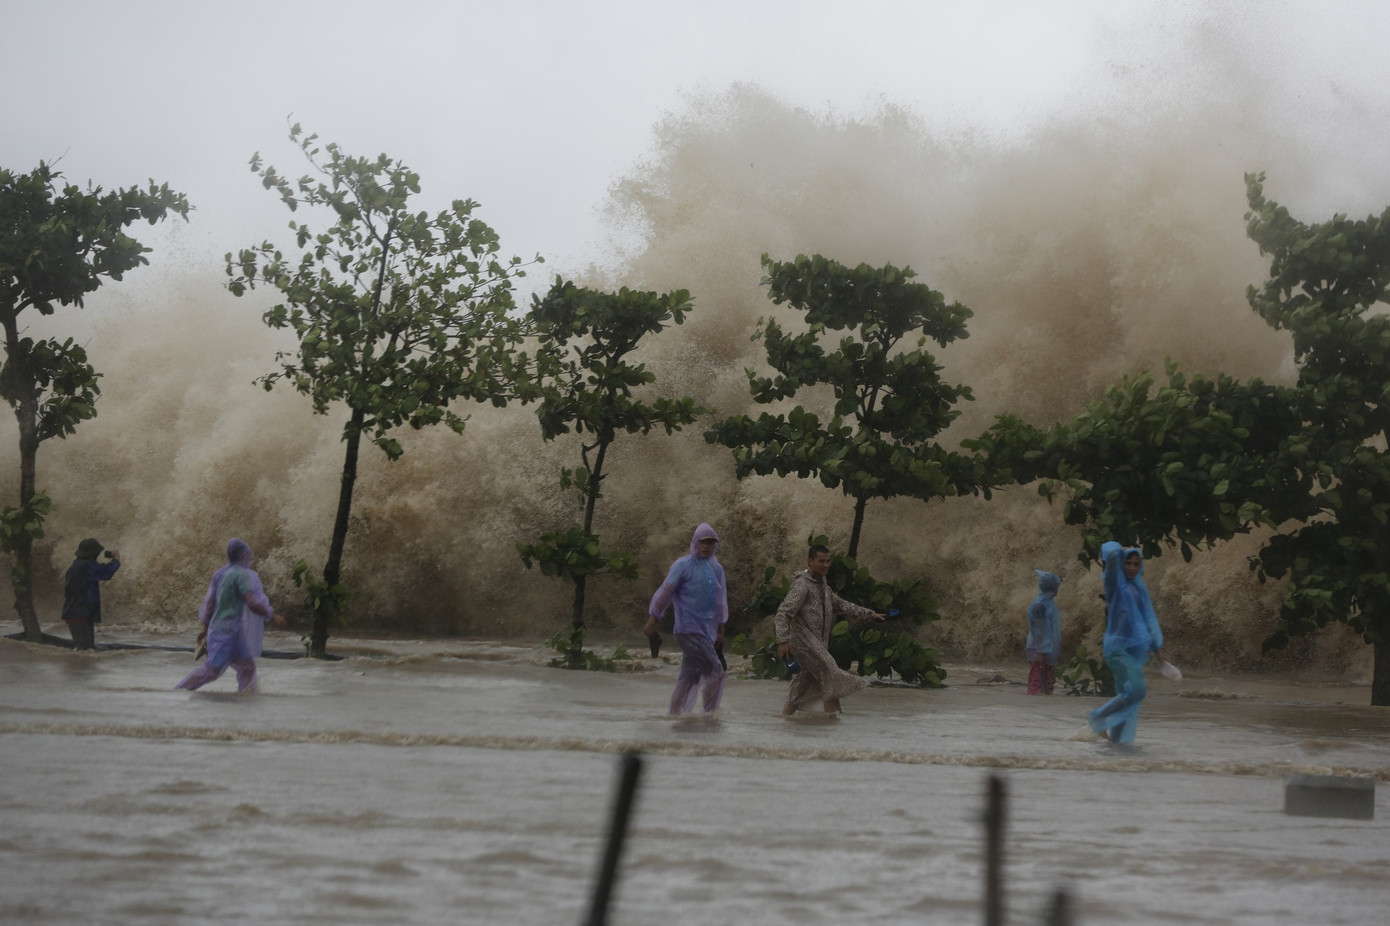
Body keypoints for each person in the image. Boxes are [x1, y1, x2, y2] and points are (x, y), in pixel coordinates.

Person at [774, 544, 886, 716]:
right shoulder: (802, 586)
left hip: (818, 644)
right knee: (830, 675)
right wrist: (782, 640)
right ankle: (833, 722)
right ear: (810, 561)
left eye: (828, 561)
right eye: (821, 561)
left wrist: (870, 615)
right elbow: (783, 613)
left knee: (801, 686)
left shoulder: (823, 586)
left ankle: (784, 719)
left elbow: (842, 605)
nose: (825, 565)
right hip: (804, 642)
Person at [175, 539, 285, 693]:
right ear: (243, 555)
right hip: (226, 633)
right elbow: (252, 603)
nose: (250, 557)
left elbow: (209, 603)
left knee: (248, 667)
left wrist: (205, 627)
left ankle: (245, 698)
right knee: (211, 671)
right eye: (248, 554)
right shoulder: (241, 575)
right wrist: (272, 616)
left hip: (230, 632)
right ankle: (177, 690)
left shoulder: (220, 574)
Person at [645, 523, 728, 714]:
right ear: (695, 543)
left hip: (706, 631)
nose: (706, 546)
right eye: (703, 542)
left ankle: (676, 714)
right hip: (688, 629)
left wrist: (721, 630)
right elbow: (665, 592)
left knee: (690, 674)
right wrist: (652, 620)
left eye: (710, 543)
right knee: (716, 672)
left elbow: (720, 602)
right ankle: (710, 715)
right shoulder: (683, 565)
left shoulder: (717, 569)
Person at [1087, 542, 1165, 743]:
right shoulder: (1114, 584)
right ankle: (1099, 717)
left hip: (1133, 649)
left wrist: (1157, 648)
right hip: (1117, 648)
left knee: (1127, 697)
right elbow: (1109, 553)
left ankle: (1117, 742)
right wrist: (1119, 550)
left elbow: (1147, 619)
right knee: (1138, 690)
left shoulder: (1139, 588)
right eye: (1127, 563)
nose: (1131, 567)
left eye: (1136, 564)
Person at [61, 538, 121, 650]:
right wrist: (116, 560)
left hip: (77, 613)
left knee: (86, 648)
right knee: (84, 649)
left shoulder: (77, 565)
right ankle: (79, 666)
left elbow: (99, 569)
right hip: (79, 614)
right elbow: (106, 572)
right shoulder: (86, 566)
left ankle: (81, 665)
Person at [1026, 569, 1063, 694]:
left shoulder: (1048, 603)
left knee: (1046, 683)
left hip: (1046, 652)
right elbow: (1037, 630)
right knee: (1037, 683)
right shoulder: (1040, 605)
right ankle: (1035, 707)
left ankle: (1044, 707)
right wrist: (1040, 651)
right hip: (1040, 652)